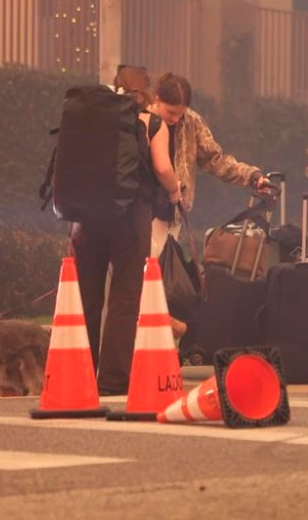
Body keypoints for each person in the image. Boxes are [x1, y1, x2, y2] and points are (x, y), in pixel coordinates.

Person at [71, 65, 181, 395]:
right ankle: (113, 380)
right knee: (124, 297)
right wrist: (175, 190)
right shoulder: (151, 122)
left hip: (86, 217)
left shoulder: (90, 117)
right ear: (147, 90)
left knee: (86, 296)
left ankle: (80, 374)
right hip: (129, 218)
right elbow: (162, 167)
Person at [147, 72, 272, 257]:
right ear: (157, 100)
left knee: (162, 266)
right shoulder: (143, 119)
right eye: (171, 112)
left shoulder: (191, 122)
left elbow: (215, 160)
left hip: (173, 211)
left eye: (180, 114)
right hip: (144, 209)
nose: (175, 119)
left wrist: (252, 176)